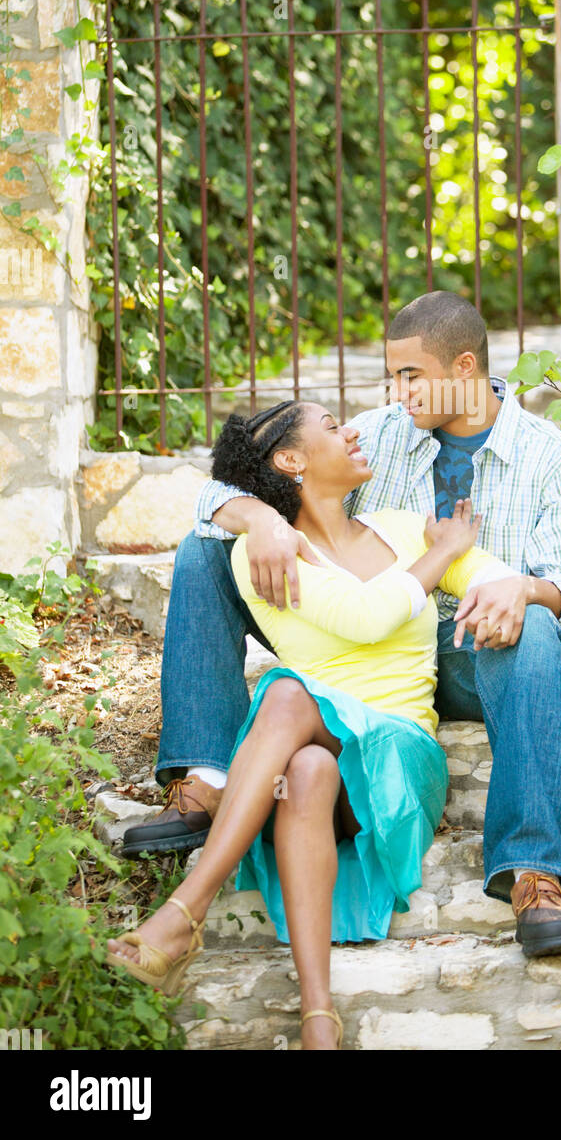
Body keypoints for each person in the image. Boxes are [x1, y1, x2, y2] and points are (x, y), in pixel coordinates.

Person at [124, 290, 561, 957]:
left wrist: (523, 587)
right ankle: (205, 775)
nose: (396, 391)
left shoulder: (553, 458)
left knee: (536, 625)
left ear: (463, 369)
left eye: (411, 376)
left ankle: (534, 875)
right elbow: (227, 489)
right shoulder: (378, 435)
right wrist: (263, 520)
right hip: (358, 648)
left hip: (471, 648)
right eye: (392, 376)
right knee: (204, 548)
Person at [107, 400, 512, 1050]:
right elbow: (365, 615)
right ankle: (317, 1020)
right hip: (323, 757)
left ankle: (187, 908)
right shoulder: (259, 557)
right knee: (307, 767)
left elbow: (497, 578)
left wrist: (498, 578)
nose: (352, 430)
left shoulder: (407, 529)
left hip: (403, 757)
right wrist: (448, 553)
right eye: (331, 425)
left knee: (288, 696)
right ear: (290, 461)